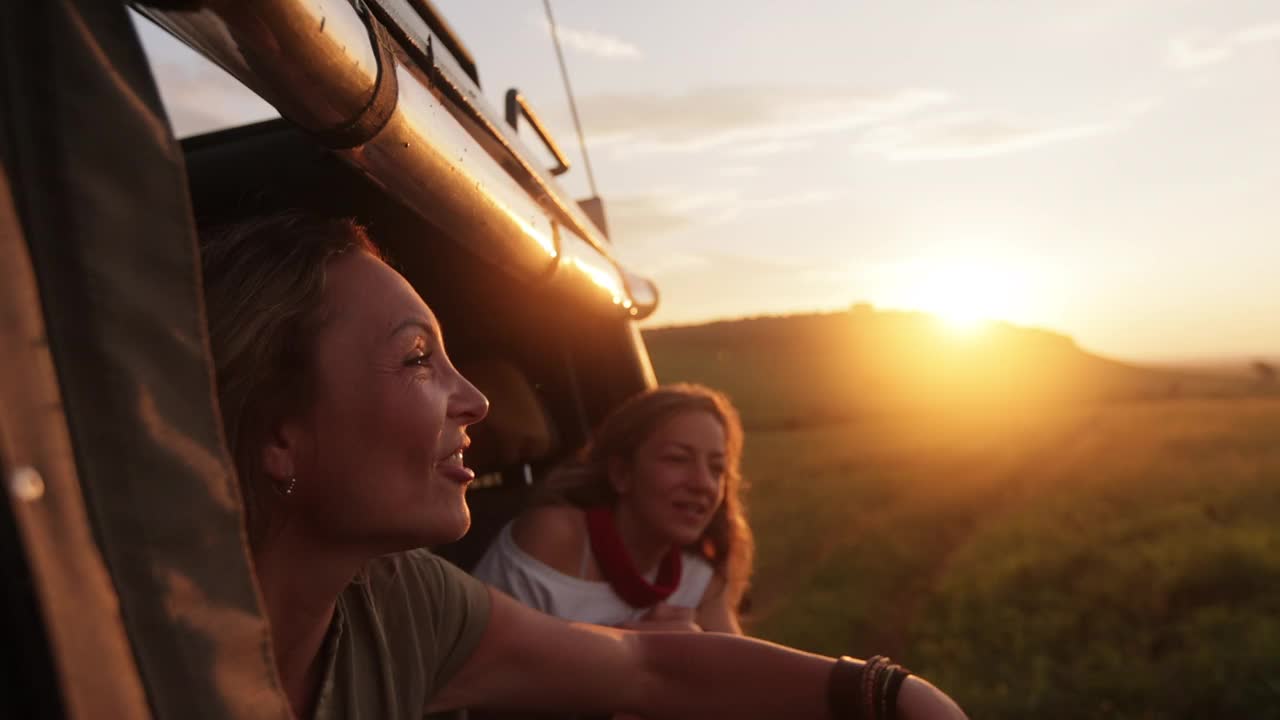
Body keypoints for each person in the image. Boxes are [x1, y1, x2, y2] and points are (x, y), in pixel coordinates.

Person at [199, 211, 968, 720]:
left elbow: (641, 667)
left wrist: (887, 692)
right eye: (416, 358)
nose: (476, 400)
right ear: (278, 433)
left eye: (718, 466)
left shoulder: (399, 599)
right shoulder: (113, 653)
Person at [473, 384, 752, 635]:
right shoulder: (555, 536)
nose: (703, 483)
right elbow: (487, 670)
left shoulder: (701, 570)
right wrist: (638, 653)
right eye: (677, 459)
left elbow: (746, 681)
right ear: (621, 474)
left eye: (717, 468)